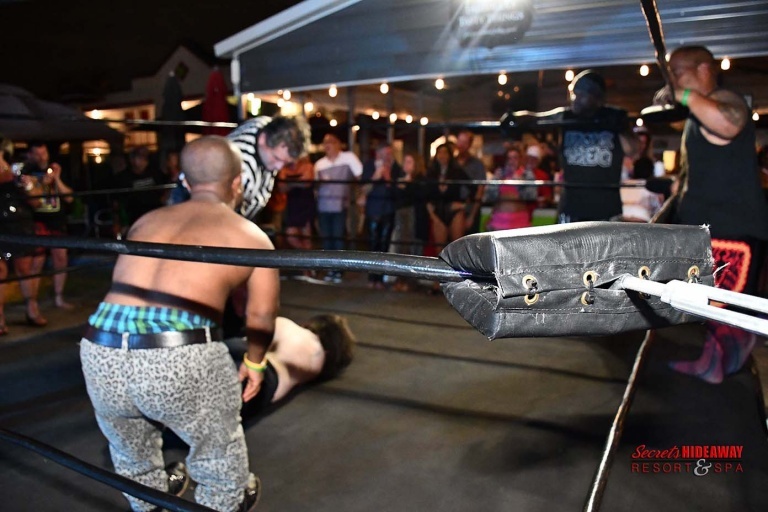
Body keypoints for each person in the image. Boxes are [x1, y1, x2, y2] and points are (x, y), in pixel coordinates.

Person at [79, 136, 277, 512]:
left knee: (131, 452)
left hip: (99, 346)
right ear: (238, 183)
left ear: (184, 180)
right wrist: (255, 362)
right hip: (176, 355)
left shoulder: (145, 221)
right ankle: (223, 500)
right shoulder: (251, 236)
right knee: (219, 454)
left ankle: (149, 499)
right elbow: (261, 316)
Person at [654, 45, 768, 383]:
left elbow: (730, 124)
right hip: (715, 229)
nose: (673, 80)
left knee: (719, 303)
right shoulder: (699, 114)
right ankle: (717, 359)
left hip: (732, 232)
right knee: (711, 301)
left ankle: (717, 365)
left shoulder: (727, 101)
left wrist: (684, 95)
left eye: (677, 72)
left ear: (703, 70)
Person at [500, 69, 637, 223]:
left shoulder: (613, 117)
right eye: (574, 94)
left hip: (606, 209)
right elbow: (538, 118)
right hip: (571, 208)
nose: (575, 99)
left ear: (596, 98)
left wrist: (624, 129)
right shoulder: (566, 116)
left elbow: (633, 150)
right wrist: (514, 118)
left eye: (582, 95)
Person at [232, 314, 356, 416]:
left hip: (245, 355)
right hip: (264, 380)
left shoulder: (290, 328)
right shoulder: (317, 363)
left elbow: (255, 337)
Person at [21, 141, 75, 312]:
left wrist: (56, 179)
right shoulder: (27, 172)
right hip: (37, 221)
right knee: (37, 261)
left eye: (43, 153)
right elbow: (31, 200)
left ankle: (59, 297)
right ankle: (32, 302)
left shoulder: (57, 169)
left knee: (60, 259)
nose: (41, 157)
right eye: (37, 154)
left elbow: (70, 198)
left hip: (57, 220)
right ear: (31, 154)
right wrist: (38, 184)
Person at [227, 115, 310, 222]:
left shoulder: (268, 124)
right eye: (276, 158)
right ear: (263, 139)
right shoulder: (242, 172)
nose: (279, 167)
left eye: (286, 163)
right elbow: (224, 219)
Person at [0, 136, 43, 334]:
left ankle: (32, 309)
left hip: (20, 224)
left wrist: (28, 186)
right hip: (1, 225)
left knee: (24, 269)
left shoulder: (18, 170)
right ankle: (0, 317)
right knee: (0, 271)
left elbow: (37, 202)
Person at [313, 133, 363, 283]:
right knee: (327, 239)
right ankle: (330, 269)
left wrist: (358, 193)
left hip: (341, 205)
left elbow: (360, 175)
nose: (327, 145)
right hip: (323, 206)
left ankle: (339, 269)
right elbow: (315, 186)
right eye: (325, 142)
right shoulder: (320, 164)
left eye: (330, 142)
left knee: (338, 237)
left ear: (338, 144)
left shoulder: (348, 158)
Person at [361, 143, 401, 288]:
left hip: (388, 210)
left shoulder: (395, 168)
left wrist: (389, 179)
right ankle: (372, 278)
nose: (388, 157)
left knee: (384, 244)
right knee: (373, 244)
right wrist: (375, 177)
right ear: (378, 154)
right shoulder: (369, 165)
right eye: (385, 154)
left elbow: (398, 191)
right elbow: (364, 189)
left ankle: (380, 279)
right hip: (373, 210)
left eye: (390, 154)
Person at [112, 146, 168, 237]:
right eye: (141, 157)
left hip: (154, 214)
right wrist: (117, 221)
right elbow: (116, 202)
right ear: (132, 160)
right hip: (134, 216)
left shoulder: (155, 173)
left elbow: (166, 188)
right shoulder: (123, 177)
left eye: (145, 158)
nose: (144, 161)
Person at [279, 155, 316, 275]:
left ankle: (308, 270)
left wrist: (290, 183)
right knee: (291, 235)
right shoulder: (284, 168)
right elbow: (282, 187)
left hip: (306, 204)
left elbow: (306, 182)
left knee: (307, 237)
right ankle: (307, 261)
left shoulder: (307, 166)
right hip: (292, 206)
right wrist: (298, 181)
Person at [454, 130, 486, 235]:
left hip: (470, 208)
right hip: (454, 209)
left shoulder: (477, 164)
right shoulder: (452, 163)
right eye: (460, 141)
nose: (461, 145)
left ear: (469, 145)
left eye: (464, 142)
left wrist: (472, 216)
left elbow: (480, 190)